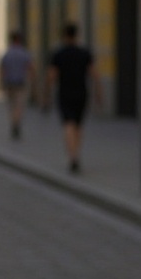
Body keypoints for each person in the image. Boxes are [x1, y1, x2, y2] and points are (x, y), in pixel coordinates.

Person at [45, 21, 102, 173]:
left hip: (65, 93)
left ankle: (72, 157)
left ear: (64, 36)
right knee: (78, 125)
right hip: (81, 93)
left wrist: (47, 94)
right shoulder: (84, 53)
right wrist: (98, 93)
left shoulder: (58, 54)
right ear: (76, 35)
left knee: (68, 125)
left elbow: (52, 75)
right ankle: (76, 153)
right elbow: (94, 74)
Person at [0, 30, 34, 139]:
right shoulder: (24, 53)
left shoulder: (7, 54)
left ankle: (13, 122)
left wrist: (1, 82)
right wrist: (32, 82)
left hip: (9, 83)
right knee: (19, 105)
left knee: (11, 105)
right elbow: (30, 68)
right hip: (20, 83)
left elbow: (2, 69)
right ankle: (17, 122)